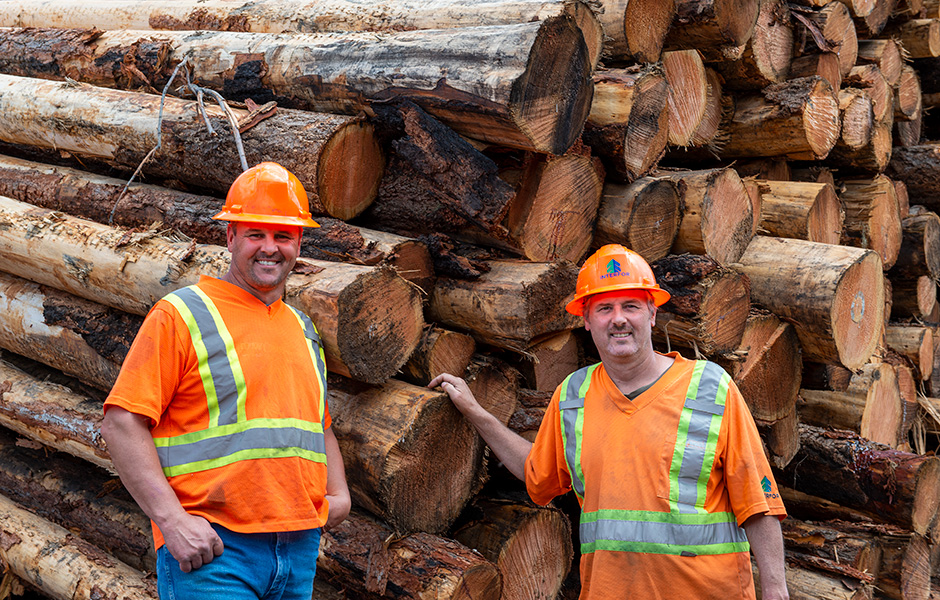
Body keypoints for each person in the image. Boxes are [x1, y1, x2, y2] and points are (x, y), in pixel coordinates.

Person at [429, 244, 788, 600]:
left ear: (651, 314)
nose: (618, 318)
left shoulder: (711, 389)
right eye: (604, 308)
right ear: (586, 320)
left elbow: (759, 503)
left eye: (630, 305)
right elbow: (537, 473)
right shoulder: (573, 398)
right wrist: (478, 413)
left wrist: (775, 589)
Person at [101, 162, 350, 600]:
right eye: (255, 234)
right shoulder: (182, 314)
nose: (269, 248)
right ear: (230, 236)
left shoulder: (302, 327)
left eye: (283, 236)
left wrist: (339, 493)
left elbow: (318, 423)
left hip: (297, 550)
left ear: (298, 243)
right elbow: (121, 423)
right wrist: (172, 521)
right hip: (215, 551)